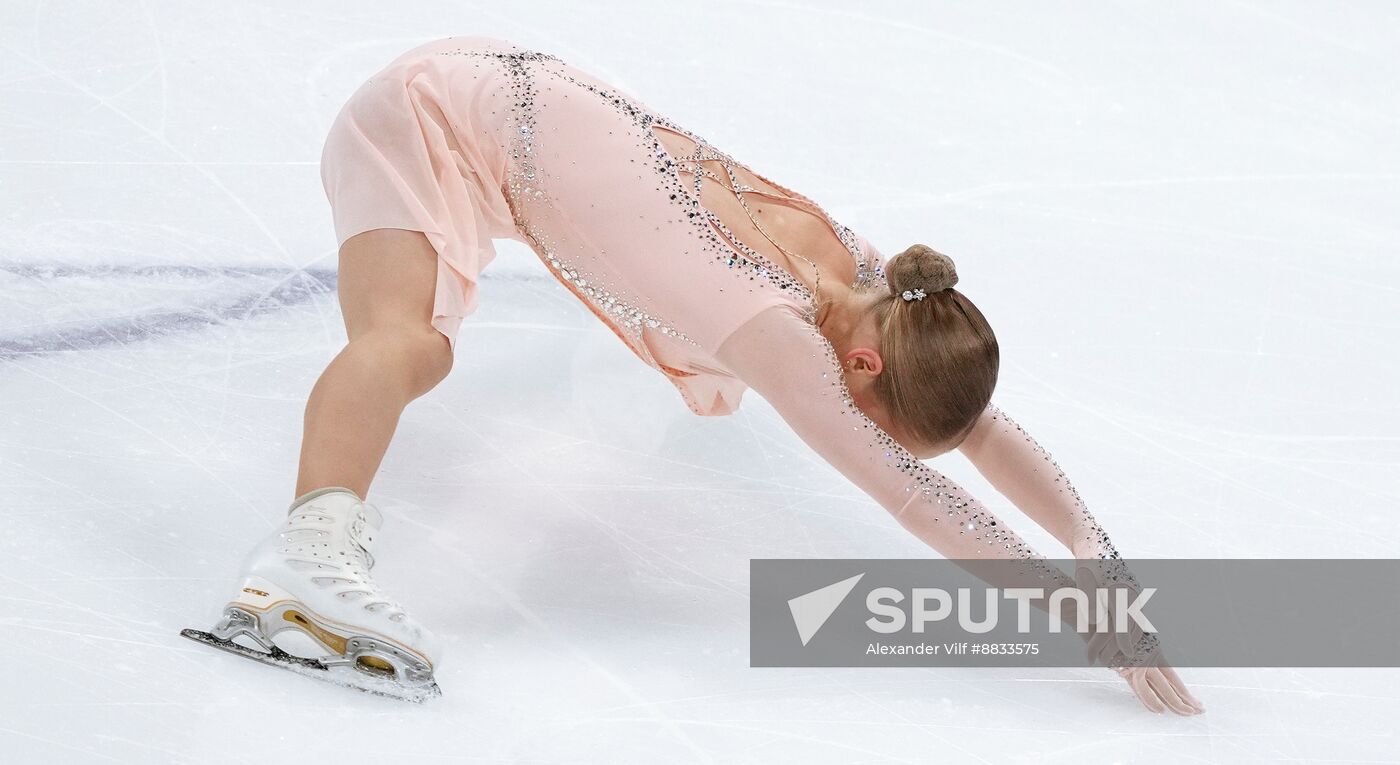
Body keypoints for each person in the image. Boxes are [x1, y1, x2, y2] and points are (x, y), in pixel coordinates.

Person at [182, 35, 1202, 714]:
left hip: (489, 82)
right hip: (425, 117)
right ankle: (308, 556)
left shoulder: (879, 285)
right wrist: (1080, 613)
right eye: (874, 416)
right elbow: (908, 489)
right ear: (856, 364)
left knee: (418, 337)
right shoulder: (768, 327)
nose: (867, 429)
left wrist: (1089, 544)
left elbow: (968, 419)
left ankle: (309, 550)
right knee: (413, 343)